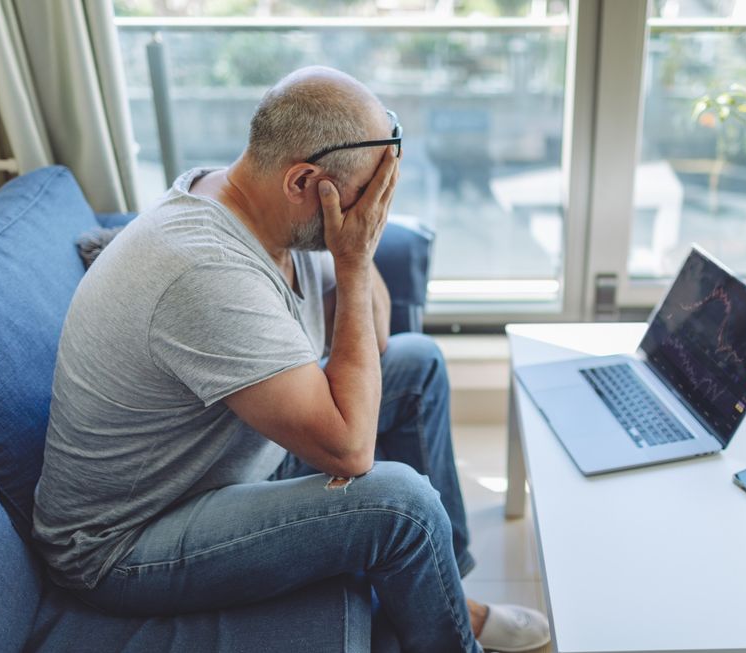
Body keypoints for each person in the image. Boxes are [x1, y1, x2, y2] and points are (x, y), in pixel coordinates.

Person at [32, 66, 550, 652]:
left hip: (227, 466)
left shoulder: (259, 204)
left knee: (417, 364)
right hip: (124, 545)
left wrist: (361, 245)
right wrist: (352, 262)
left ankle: (446, 587)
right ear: (304, 181)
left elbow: (373, 340)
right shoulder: (203, 269)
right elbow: (351, 450)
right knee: (401, 505)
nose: (367, 213)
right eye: (363, 196)